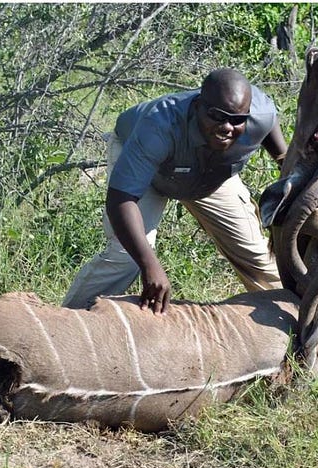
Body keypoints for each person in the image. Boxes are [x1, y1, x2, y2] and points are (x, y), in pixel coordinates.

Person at [63, 68, 288, 313]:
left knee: (259, 258)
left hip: (209, 175)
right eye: (216, 116)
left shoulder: (260, 114)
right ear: (198, 105)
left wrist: (287, 168)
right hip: (152, 175)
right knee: (126, 258)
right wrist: (150, 265)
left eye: (236, 120)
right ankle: (71, 322)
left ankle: (291, 323)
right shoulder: (159, 126)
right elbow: (121, 199)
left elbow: (282, 153)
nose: (227, 127)